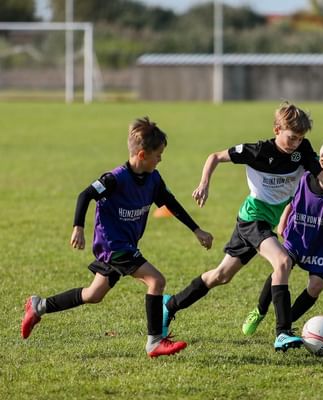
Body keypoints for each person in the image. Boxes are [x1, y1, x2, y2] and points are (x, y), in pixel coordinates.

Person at [21, 117, 213, 358]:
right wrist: (77, 227)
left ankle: (38, 306)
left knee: (94, 294)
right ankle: (154, 342)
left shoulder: (153, 179)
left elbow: (170, 203)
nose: (161, 159)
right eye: (158, 154)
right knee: (156, 281)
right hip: (113, 246)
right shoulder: (115, 179)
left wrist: (196, 230)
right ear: (142, 155)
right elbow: (85, 195)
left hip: (124, 244)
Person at [162, 102, 323, 351]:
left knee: (221, 276)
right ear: (277, 129)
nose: (296, 143)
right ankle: (283, 332)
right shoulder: (258, 151)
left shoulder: (303, 150)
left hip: (263, 222)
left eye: (299, 138)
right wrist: (204, 183)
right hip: (252, 219)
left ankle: (170, 305)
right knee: (282, 262)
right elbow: (215, 157)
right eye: (291, 137)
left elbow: (322, 180)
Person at [241, 139, 323, 339]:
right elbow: (291, 201)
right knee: (281, 268)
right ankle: (259, 310)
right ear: (319, 160)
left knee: (316, 286)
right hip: (298, 235)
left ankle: (287, 321)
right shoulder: (305, 178)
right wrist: (283, 220)